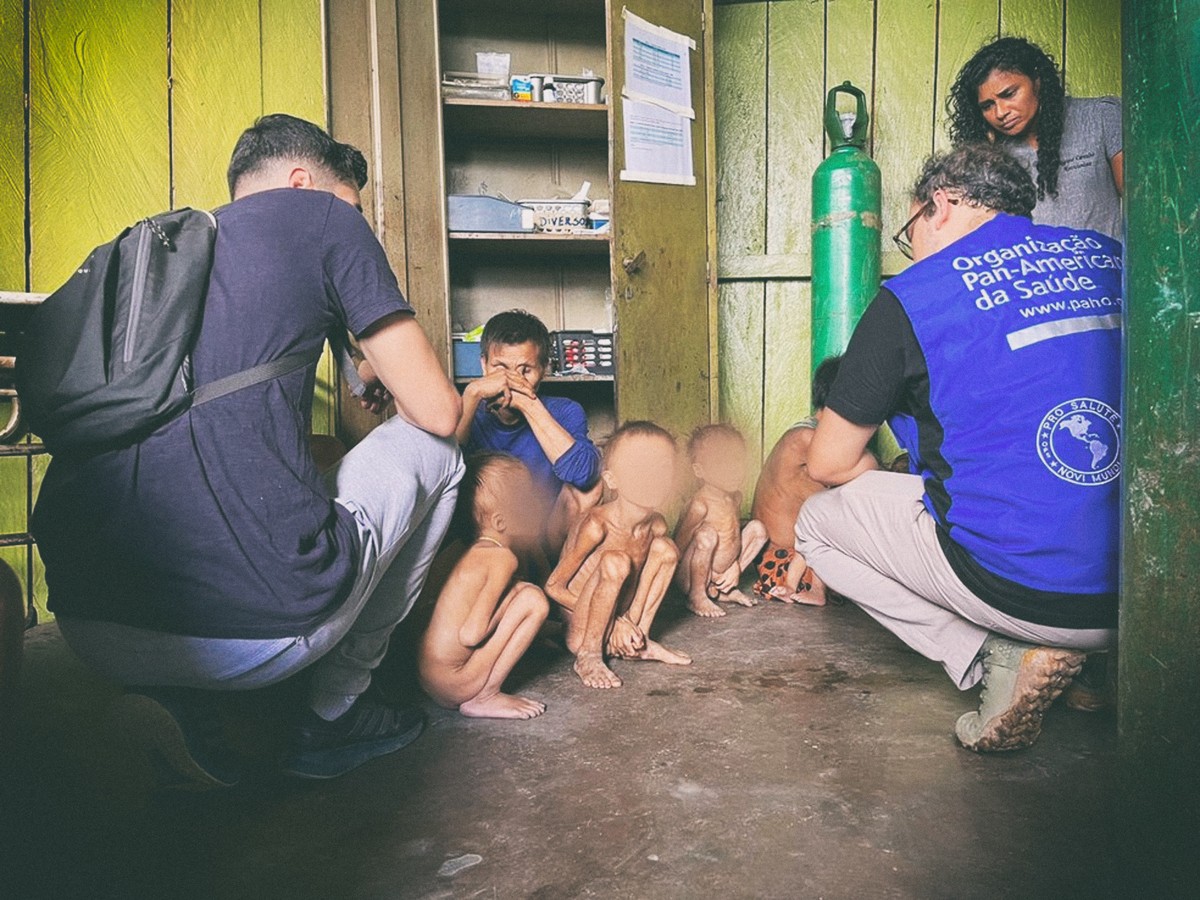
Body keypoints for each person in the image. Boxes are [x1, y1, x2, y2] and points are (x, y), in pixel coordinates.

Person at [31, 114, 465, 785]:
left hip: (90, 625)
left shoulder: (158, 252)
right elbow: (438, 411)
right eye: (349, 202)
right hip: (253, 636)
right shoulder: (324, 220)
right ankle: (333, 713)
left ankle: (187, 703)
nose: (354, 219)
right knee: (443, 452)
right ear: (302, 184)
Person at [795, 143, 1121, 753]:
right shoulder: (1112, 257)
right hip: (1148, 594)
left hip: (1026, 595)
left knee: (816, 522)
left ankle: (998, 654)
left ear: (939, 205)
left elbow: (827, 462)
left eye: (907, 231)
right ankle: (1098, 669)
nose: (911, 249)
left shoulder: (914, 295)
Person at [544, 421, 691, 689]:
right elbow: (553, 587)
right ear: (612, 479)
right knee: (615, 561)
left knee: (667, 549)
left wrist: (625, 625)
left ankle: (640, 641)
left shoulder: (656, 524)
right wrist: (613, 623)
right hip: (582, 628)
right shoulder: (596, 525)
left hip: (621, 623)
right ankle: (589, 657)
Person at [948, 36, 1123, 239]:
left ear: (1037, 82)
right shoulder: (994, 154)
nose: (1000, 112)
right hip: (1033, 269)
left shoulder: (1100, 117)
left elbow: (1141, 204)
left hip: (1103, 267)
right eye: (988, 105)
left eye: (1009, 94)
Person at [457, 310, 603, 552]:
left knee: (591, 487)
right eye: (501, 369)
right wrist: (472, 394)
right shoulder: (469, 412)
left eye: (525, 370)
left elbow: (584, 474)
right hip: (486, 535)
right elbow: (441, 478)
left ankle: (555, 580)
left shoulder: (565, 410)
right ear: (483, 365)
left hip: (546, 535)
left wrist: (527, 403)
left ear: (543, 369)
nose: (512, 380)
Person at [418, 453, 550, 720]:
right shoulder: (502, 558)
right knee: (533, 599)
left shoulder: (477, 552)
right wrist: (510, 604)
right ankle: (486, 696)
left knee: (522, 593)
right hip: (455, 683)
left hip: (429, 679)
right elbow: (471, 635)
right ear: (501, 521)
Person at [750, 357, 875, 605]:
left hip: (798, 558)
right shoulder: (806, 439)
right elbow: (873, 469)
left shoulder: (810, 432)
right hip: (783, 565)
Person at [673, 424, 768, 617]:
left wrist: (736, 566)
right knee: (706, 534)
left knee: (758, 529)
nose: (733, 470)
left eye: (737, 461)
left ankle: (726, 587)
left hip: (723, 572)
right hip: (693, 575)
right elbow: (678, 549)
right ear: (700, 470)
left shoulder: (735, 497)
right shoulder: (700, 504)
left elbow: (732, 537)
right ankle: (697, 596)